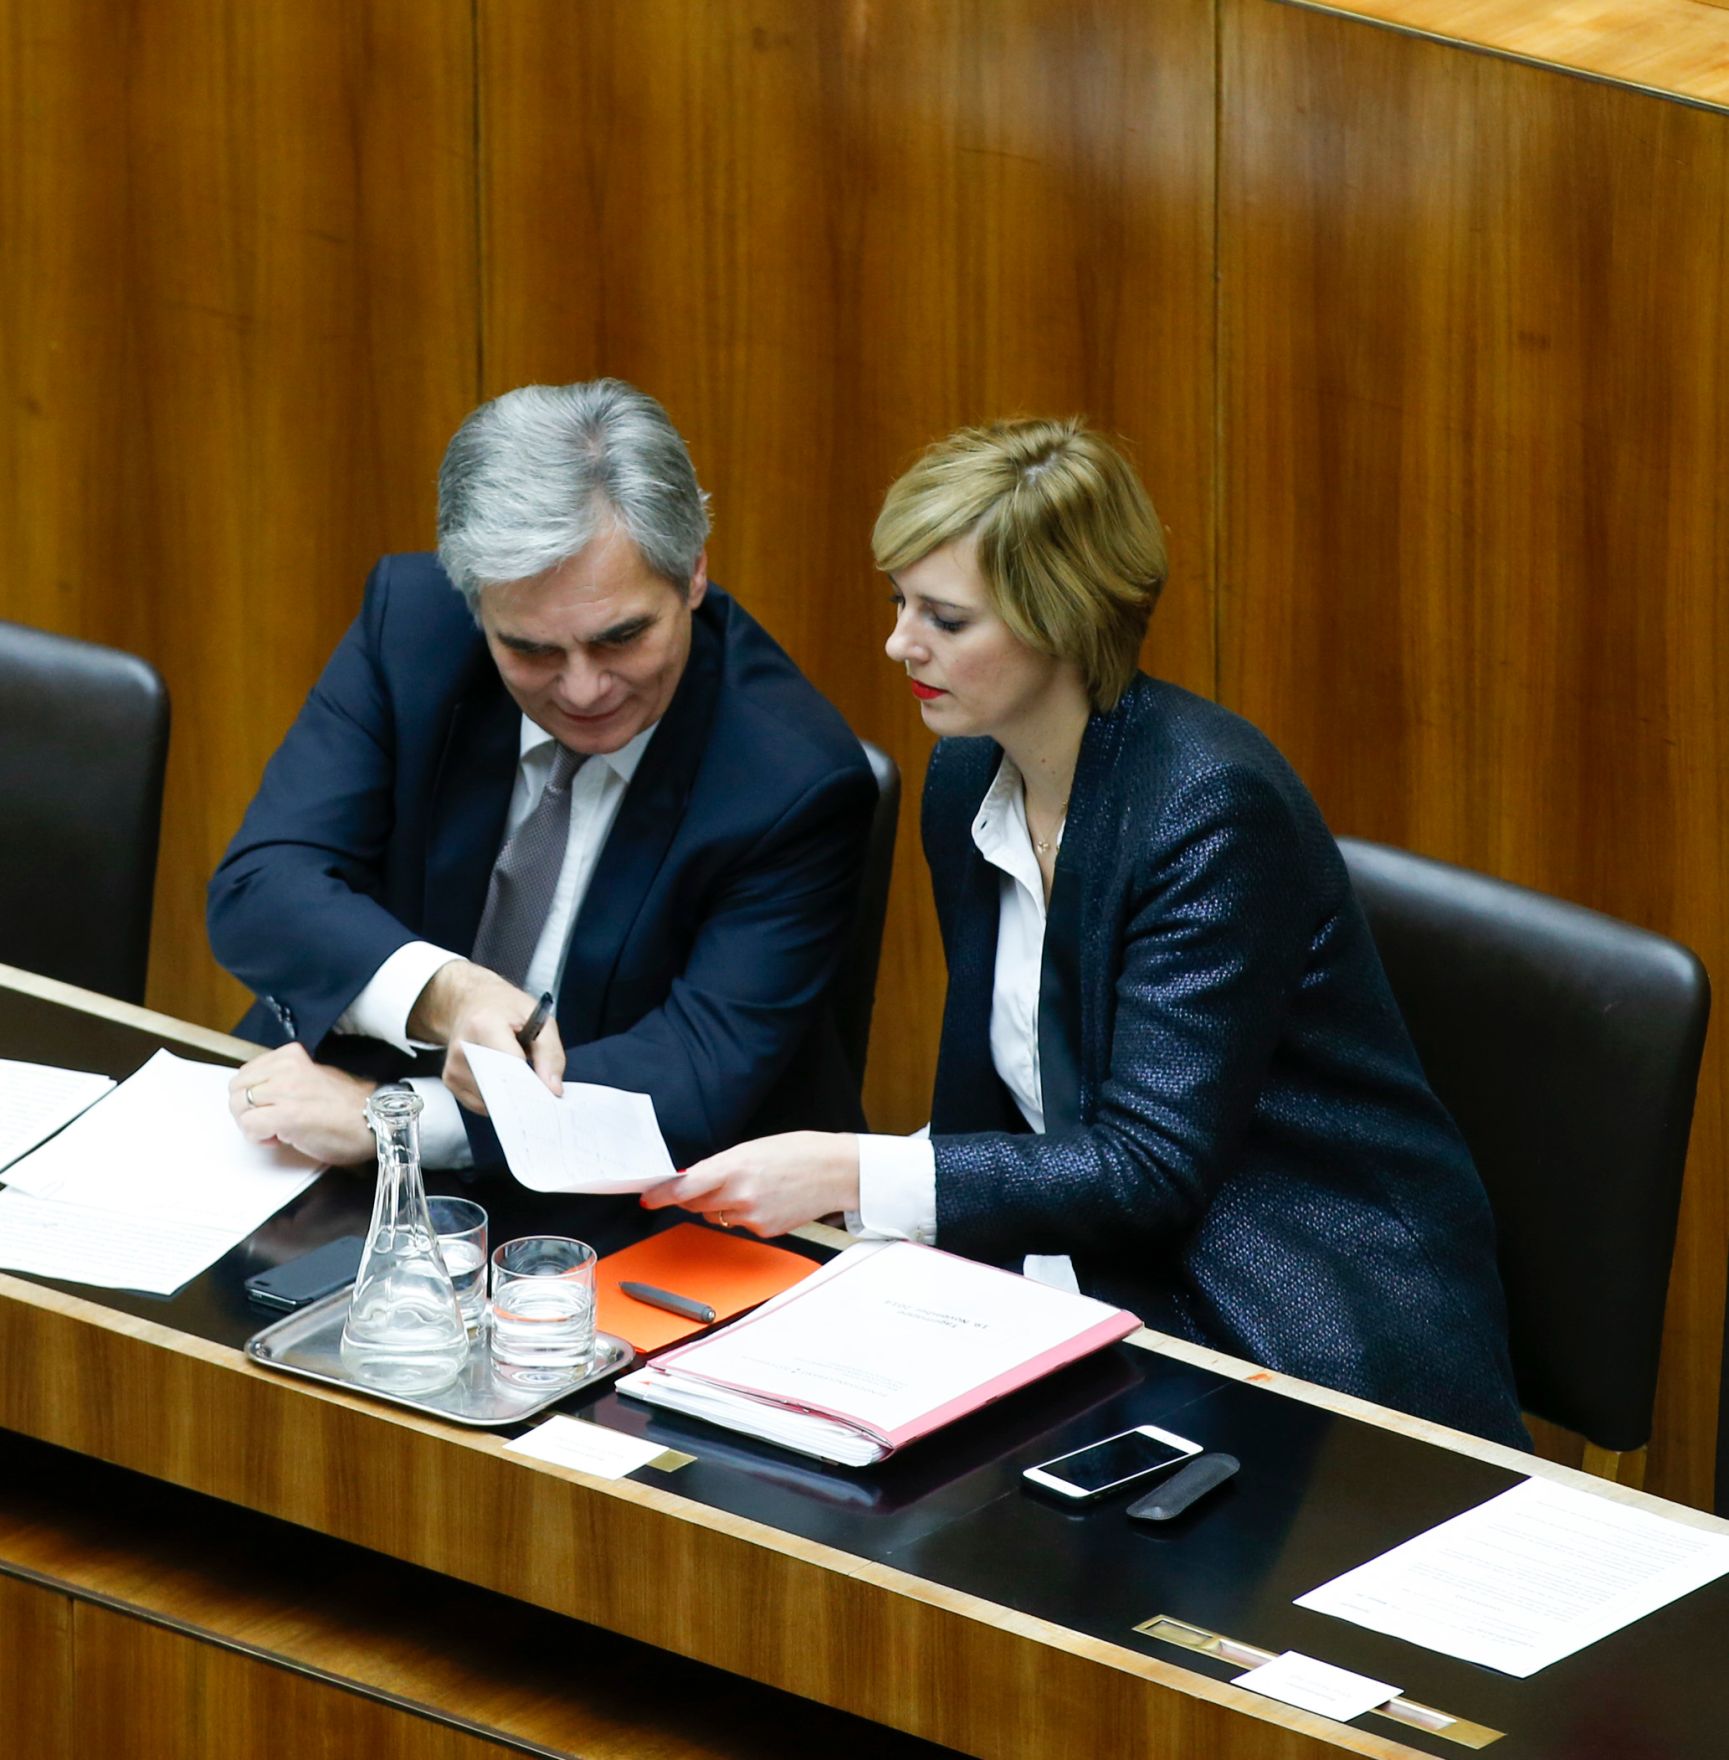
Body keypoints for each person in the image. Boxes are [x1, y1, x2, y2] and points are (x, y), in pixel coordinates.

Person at [647, 416, 1528, 1446]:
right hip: (1107, 1280)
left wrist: (853, 1170)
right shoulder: (969, 771)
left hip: (1294, 1310)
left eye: (945, 618)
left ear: (1057, 620)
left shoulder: (1208, 806)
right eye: (900, 603)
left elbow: (1151, 1164)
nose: (899, 643)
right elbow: (994, 1096)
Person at [211, 379, 876, 1244]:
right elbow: (263, 884)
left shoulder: (792, 775)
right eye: (529, 649)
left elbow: (693, 1077)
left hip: (633, 1208)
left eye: (621, 637)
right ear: (475, 603)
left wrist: (396, 1124)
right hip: (320, 1139)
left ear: (694, 571)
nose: (583, 688)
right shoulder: (411, 627)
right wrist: (448, 995)